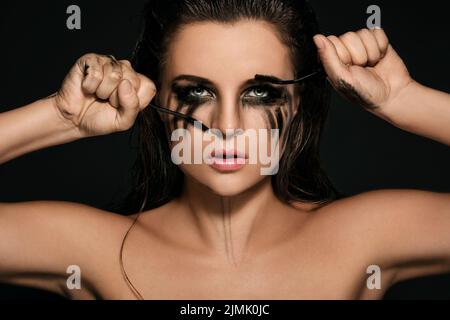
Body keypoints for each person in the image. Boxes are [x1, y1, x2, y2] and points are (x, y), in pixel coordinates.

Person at [0, 0, 449, 300]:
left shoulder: (366, 236)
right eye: (196, 92)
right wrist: (60, 117)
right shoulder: (91, 246)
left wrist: (405, 101)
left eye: (260, 94)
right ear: (155, 104)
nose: (227, 128)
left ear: (297, 104)